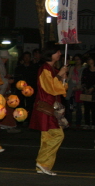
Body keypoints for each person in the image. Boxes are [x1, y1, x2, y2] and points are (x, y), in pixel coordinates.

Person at [29, 44, 68, 176]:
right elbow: (50, 87)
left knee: (47, 137)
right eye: (57, 52)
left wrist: (62, 77)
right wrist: (59, 76)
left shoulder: (51, 68)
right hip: (47, 107)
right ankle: (42, 162)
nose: (59, 54)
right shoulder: (45, 69)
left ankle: (43, 165)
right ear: (50, 54)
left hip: (51, 107)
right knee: (57, 135)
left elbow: (61, 88)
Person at [80, 56, 95, 130]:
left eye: (90, 59)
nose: (89, 61)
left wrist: (93, 88)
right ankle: (87, 123)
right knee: (86, 108)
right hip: (86, 91)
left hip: (94, 92)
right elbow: (83, 80)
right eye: (88, 60)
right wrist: (85, 88)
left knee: (94, 108)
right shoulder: (85, 70)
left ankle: (94, 124)